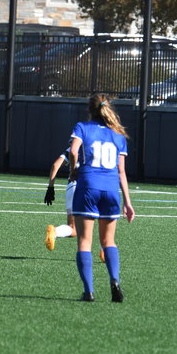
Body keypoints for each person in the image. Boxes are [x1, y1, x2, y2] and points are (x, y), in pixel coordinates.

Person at [68, 94, 135, 302]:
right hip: (111, 190)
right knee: (108, 241)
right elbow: (121, 172)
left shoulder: (82, 127)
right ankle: (114, 280)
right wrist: (128, 202)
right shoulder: (118, 135)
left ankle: (88, 292)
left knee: (84, 241)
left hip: (88, 187)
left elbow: (73, 151)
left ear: (90, 110)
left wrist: (73, 170)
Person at [45, 147, 106, 262]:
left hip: (72, 186)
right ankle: (104, 250)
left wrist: (50, 188)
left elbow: (55, 165)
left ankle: (55, 231)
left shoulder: (74, 147)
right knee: (103, 220)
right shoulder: (99, 145)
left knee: (73, 228)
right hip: (91, 186)